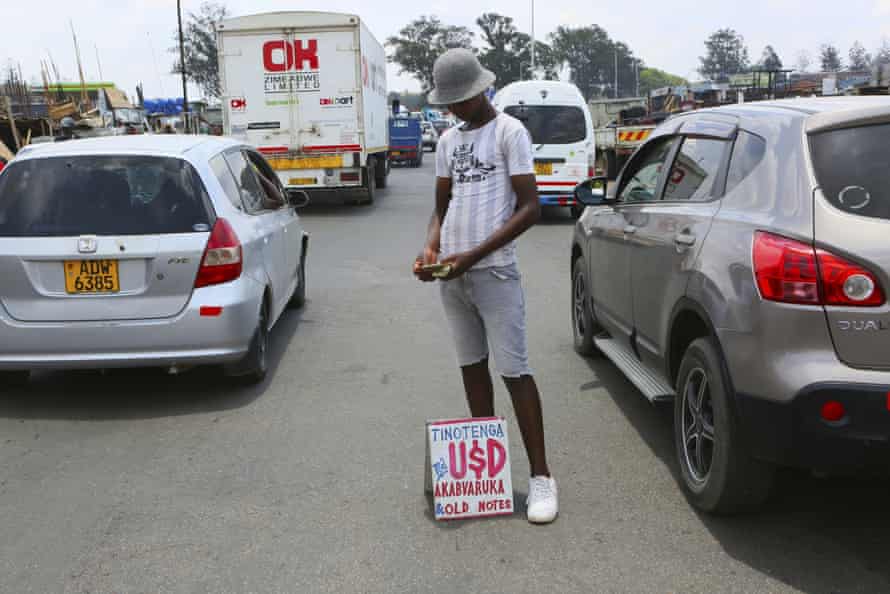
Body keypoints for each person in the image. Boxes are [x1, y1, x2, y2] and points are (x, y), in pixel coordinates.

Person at [413, 48, 557, 524]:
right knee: (472, 369)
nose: (454, 108)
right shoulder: (447, 141)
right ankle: (488, 475)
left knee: (515, 372)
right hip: (453, 279)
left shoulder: (510, 132)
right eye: (448, 102)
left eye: (460, 99)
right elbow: (441, 208)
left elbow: (530, 208)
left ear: (481, 90)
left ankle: (542, 477)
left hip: (493, 273)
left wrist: (472, 257)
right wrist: (430, 250)